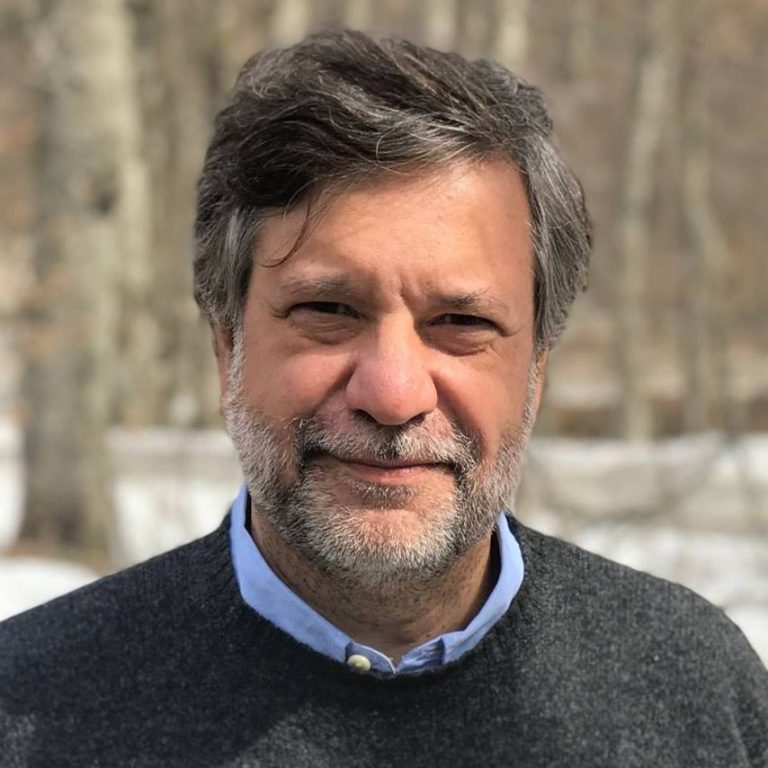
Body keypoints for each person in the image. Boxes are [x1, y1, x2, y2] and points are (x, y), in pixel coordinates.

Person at [1, 29, 766, 768]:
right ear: (227, 344)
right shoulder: (28, 712)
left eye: (461, 323)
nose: (394, 395)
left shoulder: (696, 695)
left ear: (536, 368)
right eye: (329, 311)